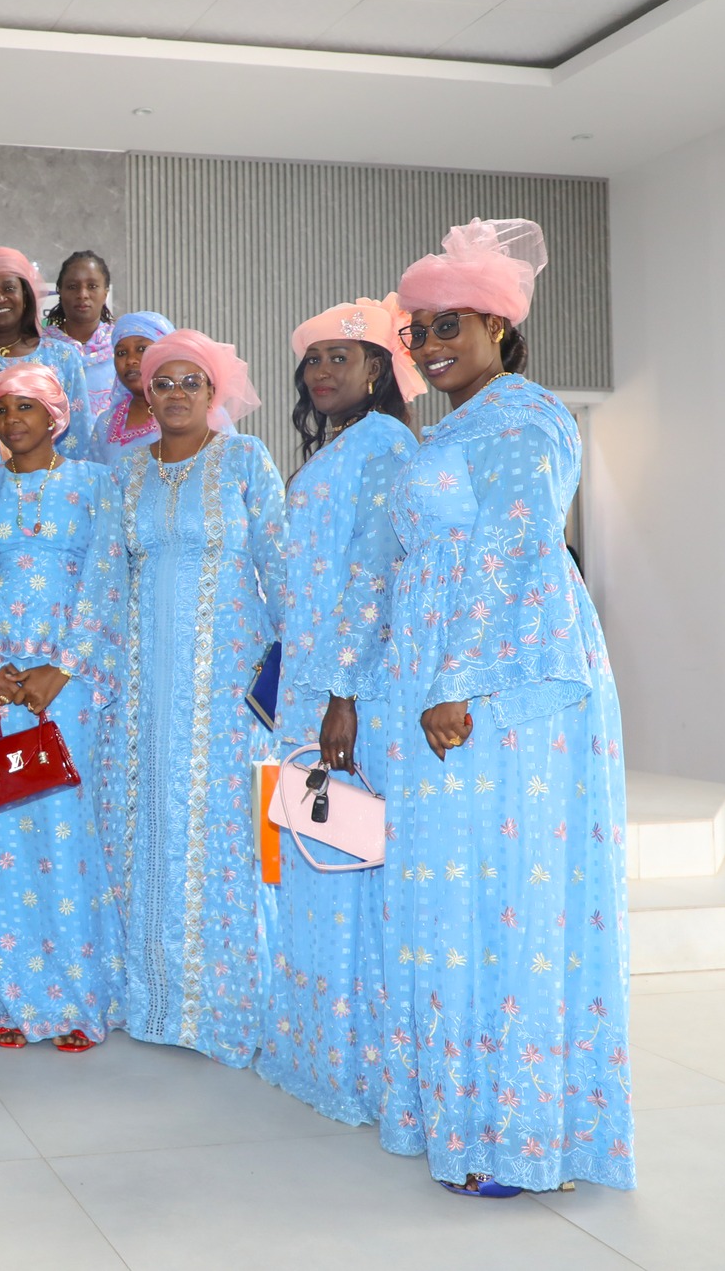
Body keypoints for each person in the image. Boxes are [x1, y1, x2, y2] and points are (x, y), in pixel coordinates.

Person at [378, 219, 633, 1195]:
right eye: (415, 328)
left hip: (505, 691)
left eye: (448, 324)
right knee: (461, 905)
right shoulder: (451, 428)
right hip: (444, 688)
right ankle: (471, 1115)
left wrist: (452, 683)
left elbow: (517, 555)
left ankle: (525, 1136)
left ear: (495, 321)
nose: (429, 342)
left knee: (510, 897)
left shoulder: (525, 418)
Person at [254, 296, 419, 1128]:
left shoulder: (386, 445)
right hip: (310, 689)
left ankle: (358, 1063)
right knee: (315, 864)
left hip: (344, 699)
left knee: (348, 868)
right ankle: (319, 1048)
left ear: (380, 369)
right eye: (313, 360)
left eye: (340, 358)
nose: (322, 372)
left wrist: (345, 694)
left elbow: (376, 573)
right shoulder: (343, 449)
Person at [0, 365, 127, 1051]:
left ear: (57, 417)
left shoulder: (96, 485)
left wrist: (63, 666)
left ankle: (76, 999)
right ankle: (6, 996)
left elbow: (107, 578)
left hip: (65, 688)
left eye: (27, 407)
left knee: (65, 840)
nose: (13, 419)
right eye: (2, 408)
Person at [116, 328, 285, 1064]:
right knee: (149, 829)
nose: (176, 393)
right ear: (145, 394)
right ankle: (153, 1000)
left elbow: (285, 573)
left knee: (229, 840)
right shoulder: (126, 472)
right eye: (163, 382)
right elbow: (106, 579)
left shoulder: (246, 460)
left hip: (229, 691)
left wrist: (281, 690)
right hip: (142, 689)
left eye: (192, 381)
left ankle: (230, 1004)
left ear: (215, 393)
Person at [0, 246, 91, 458]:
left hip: (54, 483)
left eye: (9, 288)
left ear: (25, 296)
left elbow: (78, 435)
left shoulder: (62, 355)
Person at [93, 311, 173, 467]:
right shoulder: (105, 424)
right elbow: (95, 485)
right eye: (121, 353)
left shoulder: (195, 413)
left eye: (142, 349)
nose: (130, 360)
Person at [41, 250, 117, 408]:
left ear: (105, 293)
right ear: (60, 292)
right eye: (72, 287)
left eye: (92, 286)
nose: (82, 294)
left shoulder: (121, 344)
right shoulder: (41, 347)